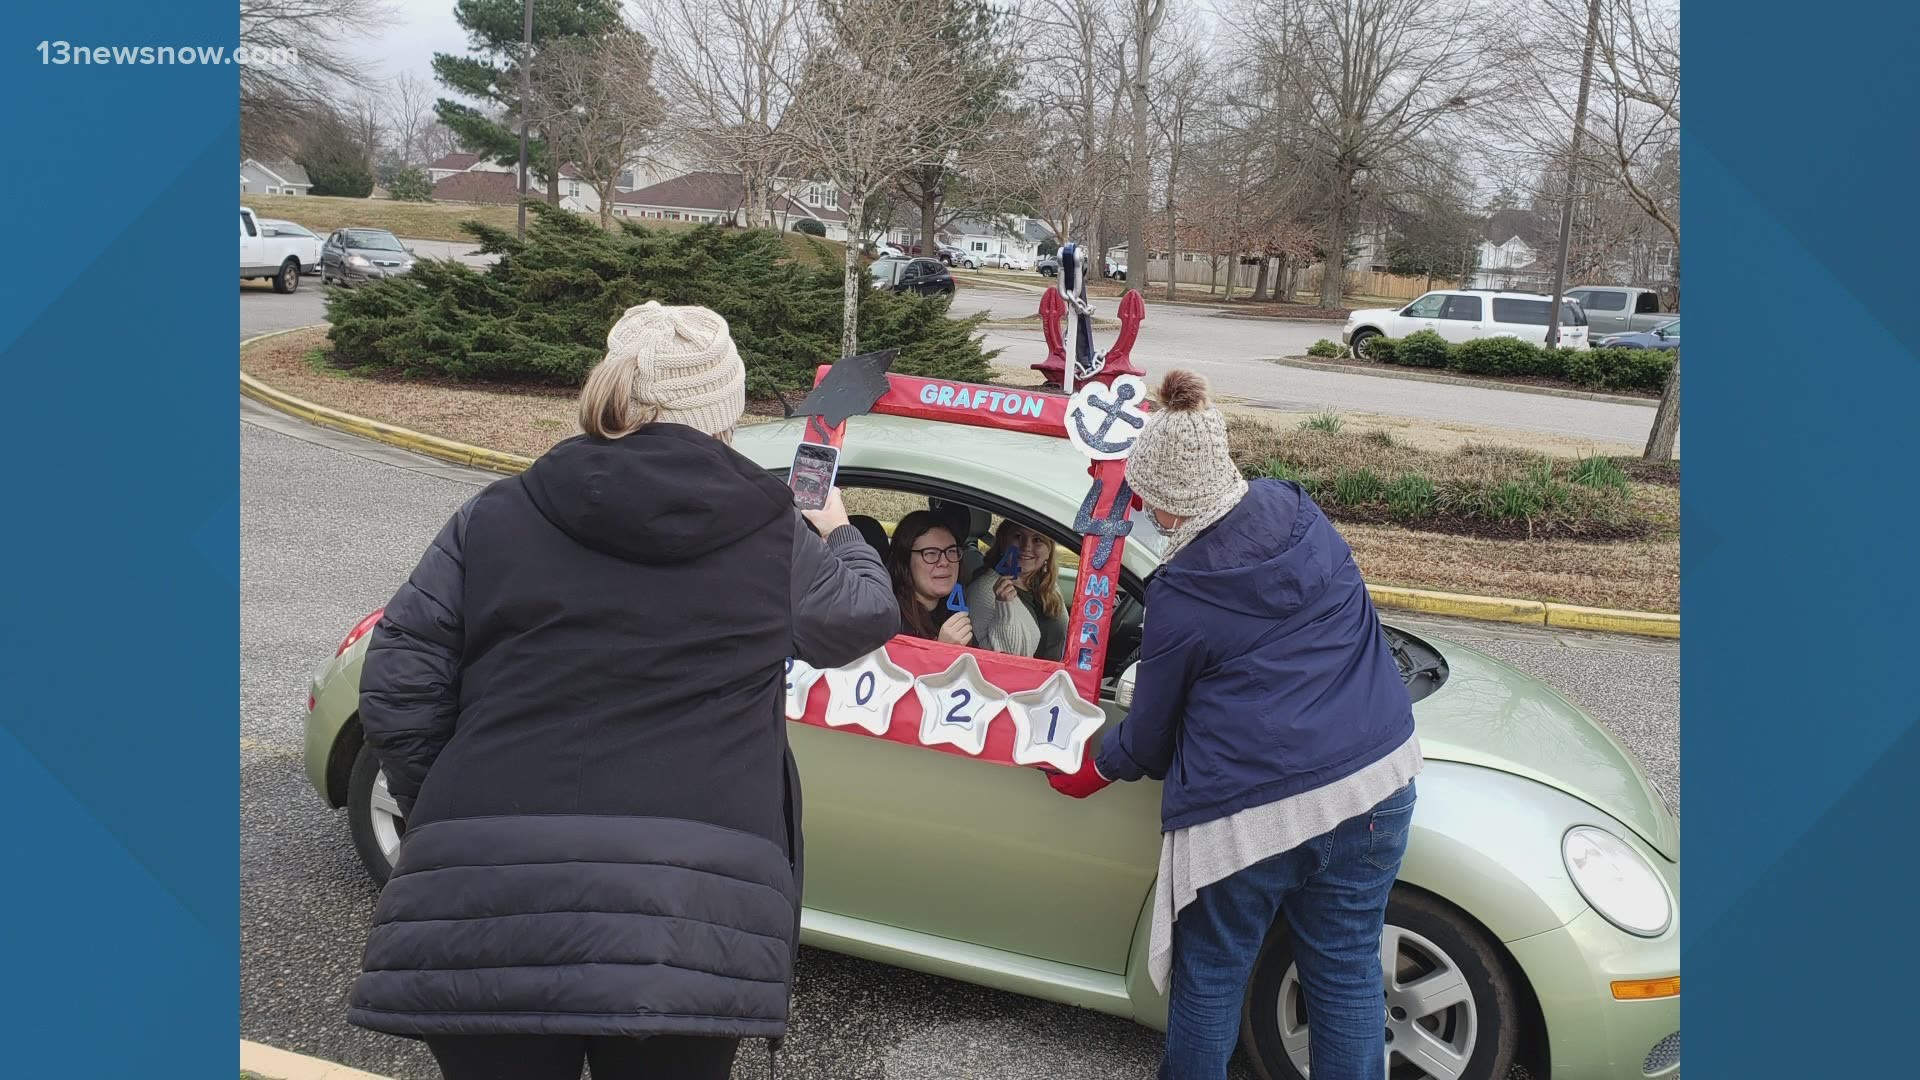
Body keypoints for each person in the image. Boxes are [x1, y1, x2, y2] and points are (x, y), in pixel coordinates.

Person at [346, 301, 900, 1080]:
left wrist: (459, 801)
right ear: (727, 410)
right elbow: (863, 615)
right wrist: (837, 528)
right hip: (685, 921)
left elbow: (399, 679)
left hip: (487, 894)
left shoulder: (498, 513)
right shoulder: (774, 531)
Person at [1050, 370, 1422, 1080]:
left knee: (1213, 972)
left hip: (1255, 813)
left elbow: (1152, 736)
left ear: (1171, 502)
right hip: (1377, 784)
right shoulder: (1298, 510)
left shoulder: (1183, 592)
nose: (1146, 516)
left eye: (1149, 503)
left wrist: (1093, 769)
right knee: (1344, 969)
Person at [977, 520, 1068, 661]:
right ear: (1003, 541)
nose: (1026, 546)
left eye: (1037, 540)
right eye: (1018, 536)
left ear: (1049, 551)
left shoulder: (1048, 585)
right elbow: (1007, 661)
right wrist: (1004, 608)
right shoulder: (984, 590)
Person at [888, 510, 976, 647]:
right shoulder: (890, 621)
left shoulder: (955, 610)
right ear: (905, 561)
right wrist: (940, 650)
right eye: (930, 554)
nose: (944, 562)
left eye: (951, 551)